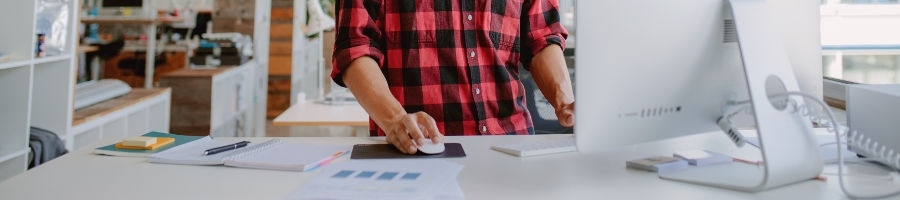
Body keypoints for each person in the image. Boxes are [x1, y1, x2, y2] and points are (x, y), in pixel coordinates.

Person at [331, 0, 574, 154]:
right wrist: (395, 119)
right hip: (417, 150)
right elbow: (354, 48)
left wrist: (566, 103)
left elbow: (542, 37)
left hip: (512, 147)